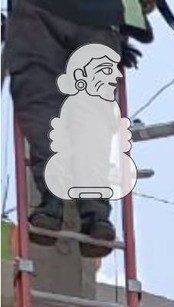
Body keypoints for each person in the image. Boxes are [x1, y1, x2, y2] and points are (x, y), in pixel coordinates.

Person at [1, 1, 146, 258]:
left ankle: (53, 201)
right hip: (102, 17)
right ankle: (96, 215)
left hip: (38, 12)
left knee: (42, 105)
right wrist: (122, 26)